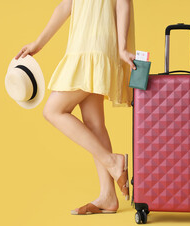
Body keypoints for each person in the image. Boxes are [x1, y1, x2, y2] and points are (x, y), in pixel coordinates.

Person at [14, 0, 136, 214]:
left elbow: (123, 3)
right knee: (94, 123)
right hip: (84, 45)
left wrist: (123, 46)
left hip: (96, 46)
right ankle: (108, 197)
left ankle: (113, 161)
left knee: (53, 110)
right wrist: (38, 43)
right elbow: (65, 6)